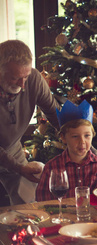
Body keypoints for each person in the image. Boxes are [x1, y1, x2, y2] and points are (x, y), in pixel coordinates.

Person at [0, 40, 60, 205]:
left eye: (25, 77)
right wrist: (18, 167)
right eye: (15, 78)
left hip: (12, 149)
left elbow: (55, 114)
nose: (22, 84)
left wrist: (86, 147)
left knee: (28, 206)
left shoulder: (33, 79)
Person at [35, 100, 97, 201]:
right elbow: (42, 200)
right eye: (75, 136)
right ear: (64, 138)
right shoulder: (52, 167)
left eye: (87, 135)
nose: (82, 142)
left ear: (92, 136)